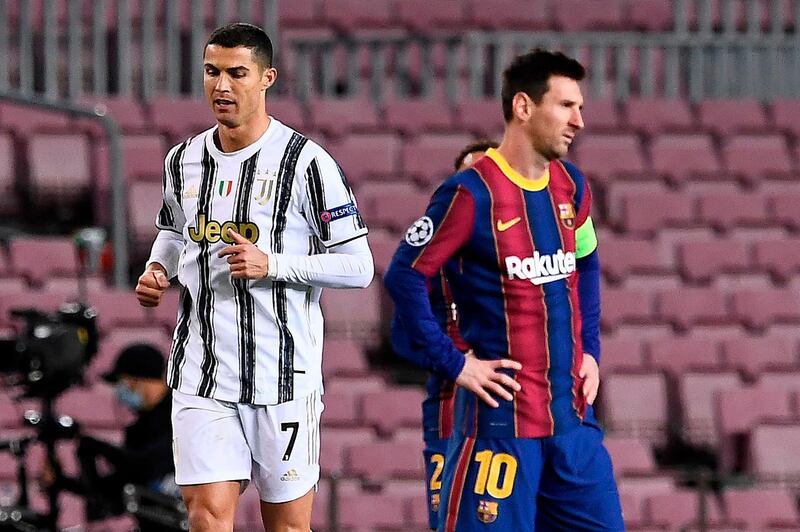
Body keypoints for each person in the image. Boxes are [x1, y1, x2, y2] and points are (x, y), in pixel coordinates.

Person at [134, 23, 373, 532]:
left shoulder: (306, 163)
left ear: (267, 78)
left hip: (282, 377)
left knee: (286, 527)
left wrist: (275, 264)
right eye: (212, 72)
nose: (222, 86)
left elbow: (359, 266)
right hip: (202, 371)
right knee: (205, 516)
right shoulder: (183, 160)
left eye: (237, 73)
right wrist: (159, 268)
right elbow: (174, 232)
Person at [384, 49, 623, 531]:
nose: (579, 120)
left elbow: (587, 263)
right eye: (566, 106)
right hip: (501, 429)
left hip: (573, 424)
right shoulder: (470, 194)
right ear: (523, 107)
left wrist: (591, 350)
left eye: (580, 107)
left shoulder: (572, 185)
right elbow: (404, 276)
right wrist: (457, 364)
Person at [392, 139, 498, 531]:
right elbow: (402, 337)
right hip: (450, 400)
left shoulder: (523, 255)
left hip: (509, 405)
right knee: (447, 517)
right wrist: (453, 360)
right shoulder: (430, 260)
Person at [42, 343, 175, 528]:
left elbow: (143, 466)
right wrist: (62, 481)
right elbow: (119, 489)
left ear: (136, 380)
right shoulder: (139, 429)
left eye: (121, 381)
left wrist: (92, 443)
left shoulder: (181, 417)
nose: (119, 391)